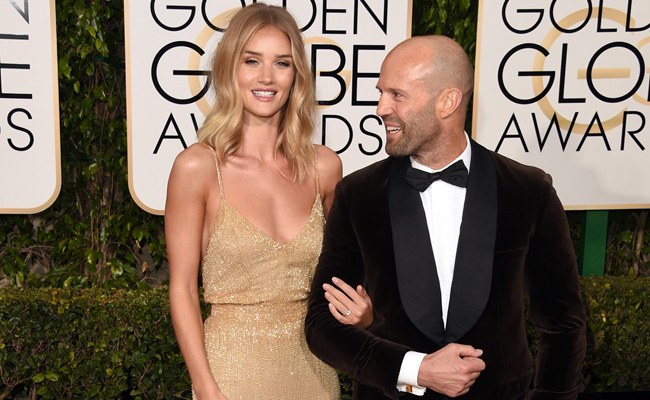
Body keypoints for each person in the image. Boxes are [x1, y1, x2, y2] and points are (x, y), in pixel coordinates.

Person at [305, 35, 587, 400]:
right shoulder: (358, 195)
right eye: (381, 92)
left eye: (397, 95)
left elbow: (563, 323)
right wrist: (416, 369)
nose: (380, 108)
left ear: (448, 101)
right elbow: (321, 325)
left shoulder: (528, 190)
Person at [165, 4, 372, 400]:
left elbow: (346, 271)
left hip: (314, 370)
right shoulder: (197, 167)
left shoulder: (324, 167)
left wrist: (366, 311)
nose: (266, 77)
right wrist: (205, 387)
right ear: (230, 69)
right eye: (251, 61)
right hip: (229, 374)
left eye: (282, 63)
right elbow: (183, 290)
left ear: (296, 76)